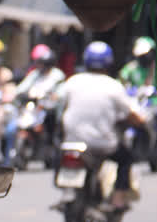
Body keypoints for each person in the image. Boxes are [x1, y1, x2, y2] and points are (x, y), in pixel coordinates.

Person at [58, 41, 146, 210]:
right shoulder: (113, 86)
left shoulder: (72, 82)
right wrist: (141, 122)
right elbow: (129, 114)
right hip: (102, 145)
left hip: (72, 142)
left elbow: (59, 104)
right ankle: (118, 199)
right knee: (126, 158)